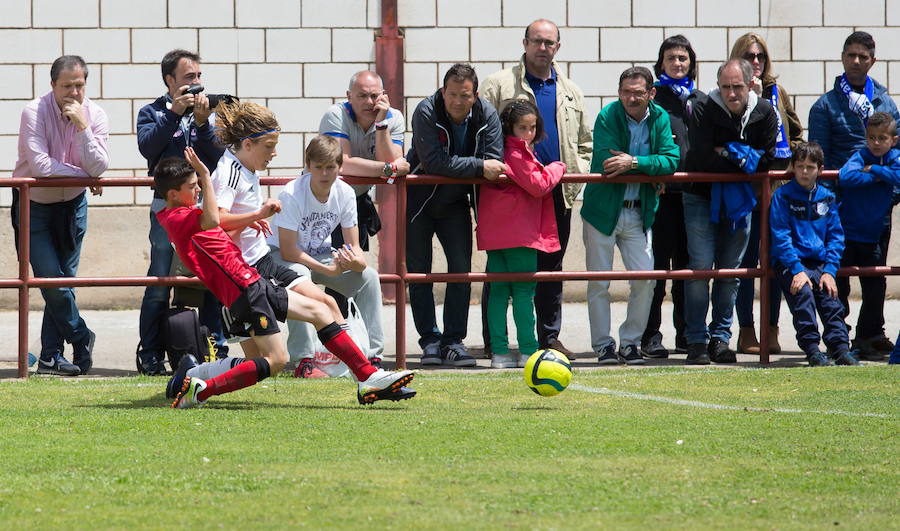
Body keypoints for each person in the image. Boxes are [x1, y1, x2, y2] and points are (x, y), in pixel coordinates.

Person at [155, 149, 416, 408]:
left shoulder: (185, 212)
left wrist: (250, 219)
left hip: (252, 280)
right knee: (275, 360)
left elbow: (218, 229)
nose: (199, 189)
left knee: (321, 310)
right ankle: (200, 389)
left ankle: (368, 377)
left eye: (199, 184)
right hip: (242, 289)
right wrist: (206, 175)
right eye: (193, 186)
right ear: (173, 195)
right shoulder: (176, 217)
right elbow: (213, 220)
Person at [204, 100, 351, 361]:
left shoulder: (247, 167)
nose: (274, 153)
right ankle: (195, 377)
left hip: (262, 261)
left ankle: (360, 369)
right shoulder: (229, 172)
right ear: (248, 145)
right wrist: (256, 215)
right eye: (269, 147)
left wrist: (252, 217)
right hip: (241, 272)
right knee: (262, 362)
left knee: (325, 304)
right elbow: (216, 222)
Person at [481, 19, 593, 359]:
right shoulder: (499, 85)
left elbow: (585, 144)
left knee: (550, 267)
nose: (543, 48)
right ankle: (494, 342)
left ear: (557, 47)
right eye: (537, 41)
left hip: (556, 195)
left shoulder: (571, 90)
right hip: (510, 200)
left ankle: (548, 337)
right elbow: (482, 134)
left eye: (549, 43)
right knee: (500, 273)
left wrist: (571, 173)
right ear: (525, 42)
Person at [12, 55, 108, 376]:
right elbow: (40, 166)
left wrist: (83, 128)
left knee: (63, 283)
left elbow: (100, 167)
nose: (73, 92)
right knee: (50, 280)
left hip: (73, 207)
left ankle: (51, 356)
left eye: (79, 85)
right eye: (66, 86)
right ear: (52, 86)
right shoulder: (34, 112)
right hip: (35, 205)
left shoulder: (94, 114)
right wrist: (84, 177)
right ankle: (81, 335)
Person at [406, 63, 506, 367]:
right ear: (442, 91)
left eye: (464, 95)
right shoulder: (426, 110)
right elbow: (434, 162)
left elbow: (495, 160)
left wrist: (476, 166)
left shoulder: (486, 113)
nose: (457, 101)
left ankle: (453, 340)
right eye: (451, 94)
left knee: (461, 271)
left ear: (474, 95)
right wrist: (477, 167)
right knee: (418, 273)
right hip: (419, 202)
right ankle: (430, 341)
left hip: (457, 203)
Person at [136, 49, 227, 375]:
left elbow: (214, 159)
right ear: (169, 80)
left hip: (202, 206)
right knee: (160, 278)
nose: (197, 84)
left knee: (211, 276)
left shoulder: (205, 115)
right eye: (190, 77)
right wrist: (173, 114)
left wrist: (202, 124)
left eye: (199, 77)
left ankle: (215, 348)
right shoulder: (151, 111)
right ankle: (149, 355)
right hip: (166, 207)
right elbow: (148, 148)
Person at [683, 59, 778, 364]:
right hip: (700, 196)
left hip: (740, 202)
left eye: (737, 86)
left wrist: (727, 151)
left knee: (730, 273)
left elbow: (768, 161)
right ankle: (696, 341)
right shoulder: (702, 107)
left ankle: (720, 339)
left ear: (751, 84)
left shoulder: (764, 111)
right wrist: (745, 158)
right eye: (726, 86)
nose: (731, 93)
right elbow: (699, 158)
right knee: (700, 270)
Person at [582, 66, 679, 365]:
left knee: (645, 279)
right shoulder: (607, 115)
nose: (631, 98)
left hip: (640, 213)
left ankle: (630, 343)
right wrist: (650, 167)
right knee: (599, 282)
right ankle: (603, 346)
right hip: (602, 213)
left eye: (638, 93)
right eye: (626, 92)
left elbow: (672, 160)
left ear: (651, 93)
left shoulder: (660, 116)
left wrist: (634, 161)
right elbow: (608, 161)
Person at [267, 135, 387, 375]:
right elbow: (290, 250)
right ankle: (304, 360)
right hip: (282, 256)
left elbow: (355, 247)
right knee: (300, 277)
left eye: (330, 167)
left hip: (321, 255)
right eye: (318, 167)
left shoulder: (345, 192)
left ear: (339, 167)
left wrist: (356, 262)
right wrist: (330, 270)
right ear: (308, 165)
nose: (324, 173)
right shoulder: (292, 193)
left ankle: (373, 357)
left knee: (370, 278)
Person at [729, 33, 804, 356]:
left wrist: (796, 158)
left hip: (778, 193)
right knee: (744, 266)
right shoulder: (732, 92)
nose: (756, 61)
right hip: (745, 192)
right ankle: (746, 330)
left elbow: (796, 134)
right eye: (749, 55)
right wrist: (751, 102)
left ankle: (771, 328)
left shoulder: (778, 92)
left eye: (760, 56)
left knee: (774, 265)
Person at [476, 100, 565, 369]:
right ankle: (528, 350)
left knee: (500, 291)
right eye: (522, 128)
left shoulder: (500, 149)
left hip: (497, 232)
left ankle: (500, 353)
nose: (527, 133)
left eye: (532, 127)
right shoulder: (516, 152)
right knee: (524, 291)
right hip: (519, 232)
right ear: (509, 128)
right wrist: (557, 167)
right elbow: (539, 185)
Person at [319, 71, 410, 322]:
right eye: (362, 96)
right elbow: (343, 164)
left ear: (383, 96)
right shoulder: (335, 115)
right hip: (324, 201)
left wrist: (381, 125)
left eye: (374, 96)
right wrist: (387, 170)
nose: (369, 103)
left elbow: (389, 158)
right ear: (349, 97)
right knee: (337, 272)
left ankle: (349, 337)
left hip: (355, 202)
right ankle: (332, 339)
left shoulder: (393, 117)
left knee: (354, 273)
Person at [770, 142, 859, 367]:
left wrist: (830, 270)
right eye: (800, 166)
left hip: (819, 262)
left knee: (830, 298)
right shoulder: (783, 196)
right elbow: (780, 236)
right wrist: (797, 270)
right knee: (804, 294)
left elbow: (836, 236)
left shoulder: (827, 198)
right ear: (793, 167)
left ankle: (840, 349)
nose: (805, 172)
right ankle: (812, 350)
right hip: (791, 262)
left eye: (810, 167)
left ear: (820, 168)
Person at [640, 34, 701, 359]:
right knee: (658, 270)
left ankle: (687, 334)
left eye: (683, 59)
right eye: (671, 58)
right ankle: (651, 336)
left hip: (693, 196)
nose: (678, 64)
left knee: (688, 271)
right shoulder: (654, 100)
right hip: (661, 196)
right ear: (661, 63)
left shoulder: (699, 99)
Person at [836, 111, 900, 360]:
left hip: (874, 235)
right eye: (871, 137)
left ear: (893, 140)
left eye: (881, 138)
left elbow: (898, 176)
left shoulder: (892, 158)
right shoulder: (859, 156)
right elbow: (845, 176)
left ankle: (866, 337)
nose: (875, 143)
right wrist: (878, 176)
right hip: (848, 233)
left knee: (874, 286)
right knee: (839, 285)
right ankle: (839, 335)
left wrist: (873, 171)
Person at [809, 31, 900, 171]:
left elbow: (897, 151)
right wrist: (829, 193)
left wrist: (894, 191)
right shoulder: (824, 106)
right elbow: (819, 159)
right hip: (844, 188)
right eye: (851, 55)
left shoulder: (887, 104)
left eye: (863, 57)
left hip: (882, 189)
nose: (856, 61)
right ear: (842, 57)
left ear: (873, 61)